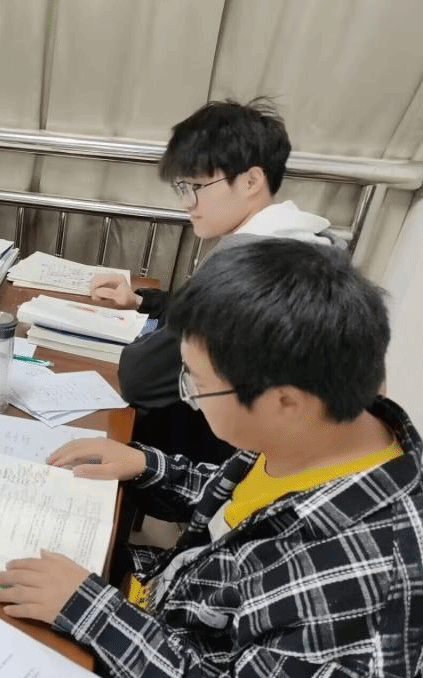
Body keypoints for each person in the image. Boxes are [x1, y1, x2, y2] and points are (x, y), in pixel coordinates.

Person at [0, 238, 423, 678]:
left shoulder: (366, 584)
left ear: (284, 401)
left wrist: (97, 614)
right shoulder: (330, 432)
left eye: (196, 385)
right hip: (168, 611)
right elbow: (245, 514)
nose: (189, 398)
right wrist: (149, 465)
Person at [93, 99, 338, 468]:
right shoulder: (307, 242)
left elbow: (140, 378)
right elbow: (213, 320)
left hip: (210, 457)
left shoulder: (248, 266)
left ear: (251, 181)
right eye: (181, 188)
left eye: (195, 186)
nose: (186, 203)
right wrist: (142, 302)